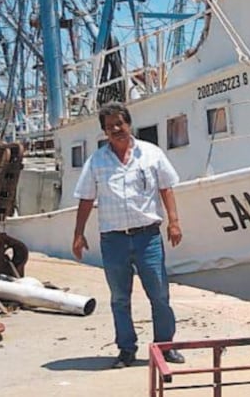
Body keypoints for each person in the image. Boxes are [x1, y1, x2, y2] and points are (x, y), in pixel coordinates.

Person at [71, 101, 186, 368]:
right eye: (110, 126)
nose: (116, 129)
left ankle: (165, 347)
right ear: (104, 131)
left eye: (119, 124)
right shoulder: (96, 161)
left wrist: (174, 222)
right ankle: (126, 350)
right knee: (120, 299)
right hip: (113, 240)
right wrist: (78, 234)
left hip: (148, 238)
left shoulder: (151, 153)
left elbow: (166, 188)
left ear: (128, 124)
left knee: (159, 295)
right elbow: (86, 199)